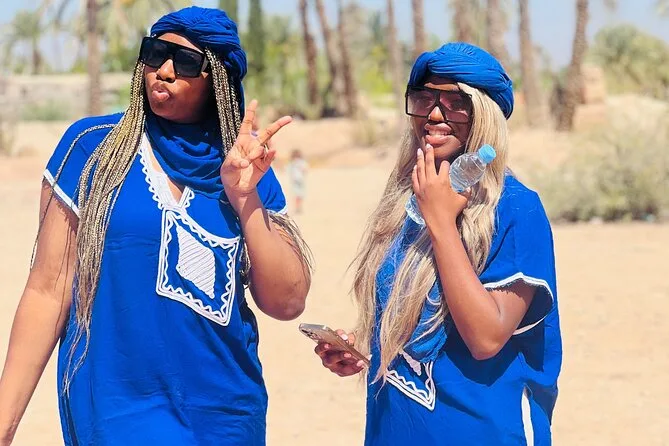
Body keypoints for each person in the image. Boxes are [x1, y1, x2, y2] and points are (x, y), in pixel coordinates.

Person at [0, 7, 312, 445]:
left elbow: (287, 301)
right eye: (154, 53)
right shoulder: (93, 149)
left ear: (218, 81)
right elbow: (47, 290)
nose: (164, 70)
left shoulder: (246, 166)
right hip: (118, 408)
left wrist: (245, 198)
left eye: (184, 61)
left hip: (225, 414)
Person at [315, 42, 562, 445]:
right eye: (424, 98)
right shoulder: (407, 201)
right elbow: (421, 320)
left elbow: (486, 338)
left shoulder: (516, 209)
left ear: (484, 115)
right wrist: (365, 346)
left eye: (455, 103)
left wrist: (442, 224)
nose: (433, 114)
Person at [286, 149, 308, 214]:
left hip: (296, 180)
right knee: (300, 194)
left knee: (297, 194)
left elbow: (288, 171)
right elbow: (305, 170)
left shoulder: (292, 163)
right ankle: (298, 207)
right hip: (299, 179)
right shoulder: (301, 162)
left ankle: (297, 207)